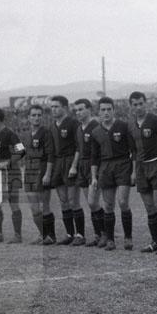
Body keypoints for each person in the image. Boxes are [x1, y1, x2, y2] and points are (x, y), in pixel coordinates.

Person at [127, 91, 157, 253]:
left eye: (141, 104)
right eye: (135, 104)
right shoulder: (130, 125)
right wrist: (134, 171)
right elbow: (133, 150)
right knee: (149, 207)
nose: (138, 107)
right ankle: (155, 241)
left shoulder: (156, 121)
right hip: (141, 168)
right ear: (131, 106)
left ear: (145, 103)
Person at [90, 96, 135, 250]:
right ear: (99, 112)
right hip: (105, 167)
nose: (106, 112)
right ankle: (110, 239)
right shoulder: (95, 132)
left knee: (122, 202)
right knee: (108, 205)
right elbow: (94, 157)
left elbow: (133, 150)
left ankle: (128, 237)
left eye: (109, 109)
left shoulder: (123, 126)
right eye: (103, 110)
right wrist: (94, 177)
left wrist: (133, 172)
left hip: (123, 164)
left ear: (114, 110)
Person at [0, 108, 26, 243]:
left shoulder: (10, 133)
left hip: (11, 172)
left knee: (13, 202)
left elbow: (21, 151)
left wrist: (8, 162)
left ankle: (18, 235)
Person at [68, 99, 104, 247]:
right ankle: (97, 235)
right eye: (76, 110)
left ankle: (105, 234)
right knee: (91, 204)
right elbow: (78, 149)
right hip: (82, 166)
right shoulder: (79, 128)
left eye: (81, 109)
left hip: (94, 165)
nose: (78, 112)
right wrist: (74, 166)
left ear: (89, 109)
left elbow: (102, 148)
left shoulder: (96, 126)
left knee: (92, 202)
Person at [47, 95, 79, 245]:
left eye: (56, 106)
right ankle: (69, 234)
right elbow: (51, 151)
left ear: (65, 108)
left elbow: (79, 147)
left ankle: (80, 234)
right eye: (52, 107)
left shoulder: (73, 123)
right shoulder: (52, 126)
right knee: (63, 201)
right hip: (58, 164)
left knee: (73, 201)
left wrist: (74, 165)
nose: (53, 109)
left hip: (70, 161)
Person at [21, 105, 54, 244]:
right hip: (29, 171)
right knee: (34, 208)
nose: (36, 118)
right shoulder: (25, 134)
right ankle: (43, 234)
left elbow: (51, 155)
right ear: (28, 117)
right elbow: (20, 151)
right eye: (33, 115)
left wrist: (48, 174)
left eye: (39, 115)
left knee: (44, 205)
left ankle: (50, 236)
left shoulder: (46, 133)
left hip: (42, 169)